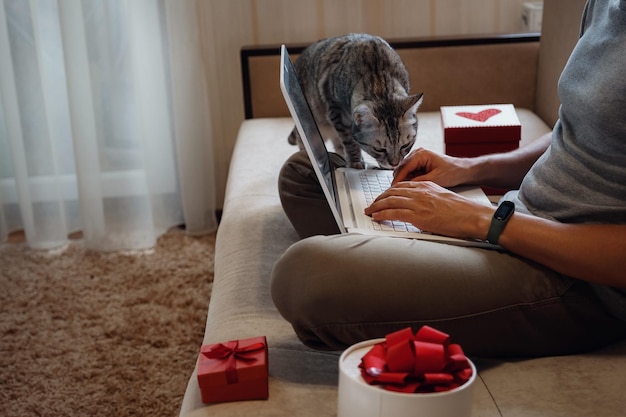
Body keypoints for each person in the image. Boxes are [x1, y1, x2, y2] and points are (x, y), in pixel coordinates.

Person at [270, 0, 626, 357]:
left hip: (577, 278)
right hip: (515, 221)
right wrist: (471, 168)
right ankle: (385, 249)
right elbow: (577, 132)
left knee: (302, 277)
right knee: (303, 176)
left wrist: (480, 220)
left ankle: (382, 255)